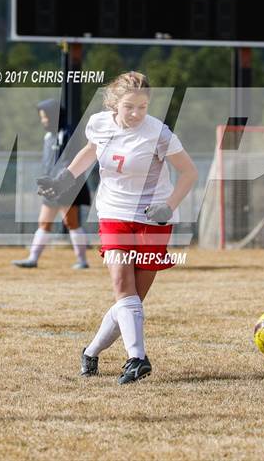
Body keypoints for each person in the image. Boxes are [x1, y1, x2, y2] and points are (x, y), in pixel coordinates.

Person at [37, 73, 198, 384]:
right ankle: (137, 358)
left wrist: (170, 206)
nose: (137, 113)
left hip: (154, 218)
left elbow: (189, 173)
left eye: (143, 106)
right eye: (129, 107)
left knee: (131, 301)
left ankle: (91, 352)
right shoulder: (99, 123)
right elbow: (91, 150)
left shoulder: (160, 133)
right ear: (114, 104)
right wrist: (64, 178)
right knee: (123, 289)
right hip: (114, 214)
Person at [13, 98, 90, 270]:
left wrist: (59, 182)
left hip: (66, 187)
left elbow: (70, 162)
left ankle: (82, 260)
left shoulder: (68, 133)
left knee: (71, 223)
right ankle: (32, 258)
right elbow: (47, 163)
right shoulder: (49, 136)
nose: (43, 121)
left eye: (46, 117)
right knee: (44, 222)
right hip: (51, 189)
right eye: (42, 117)